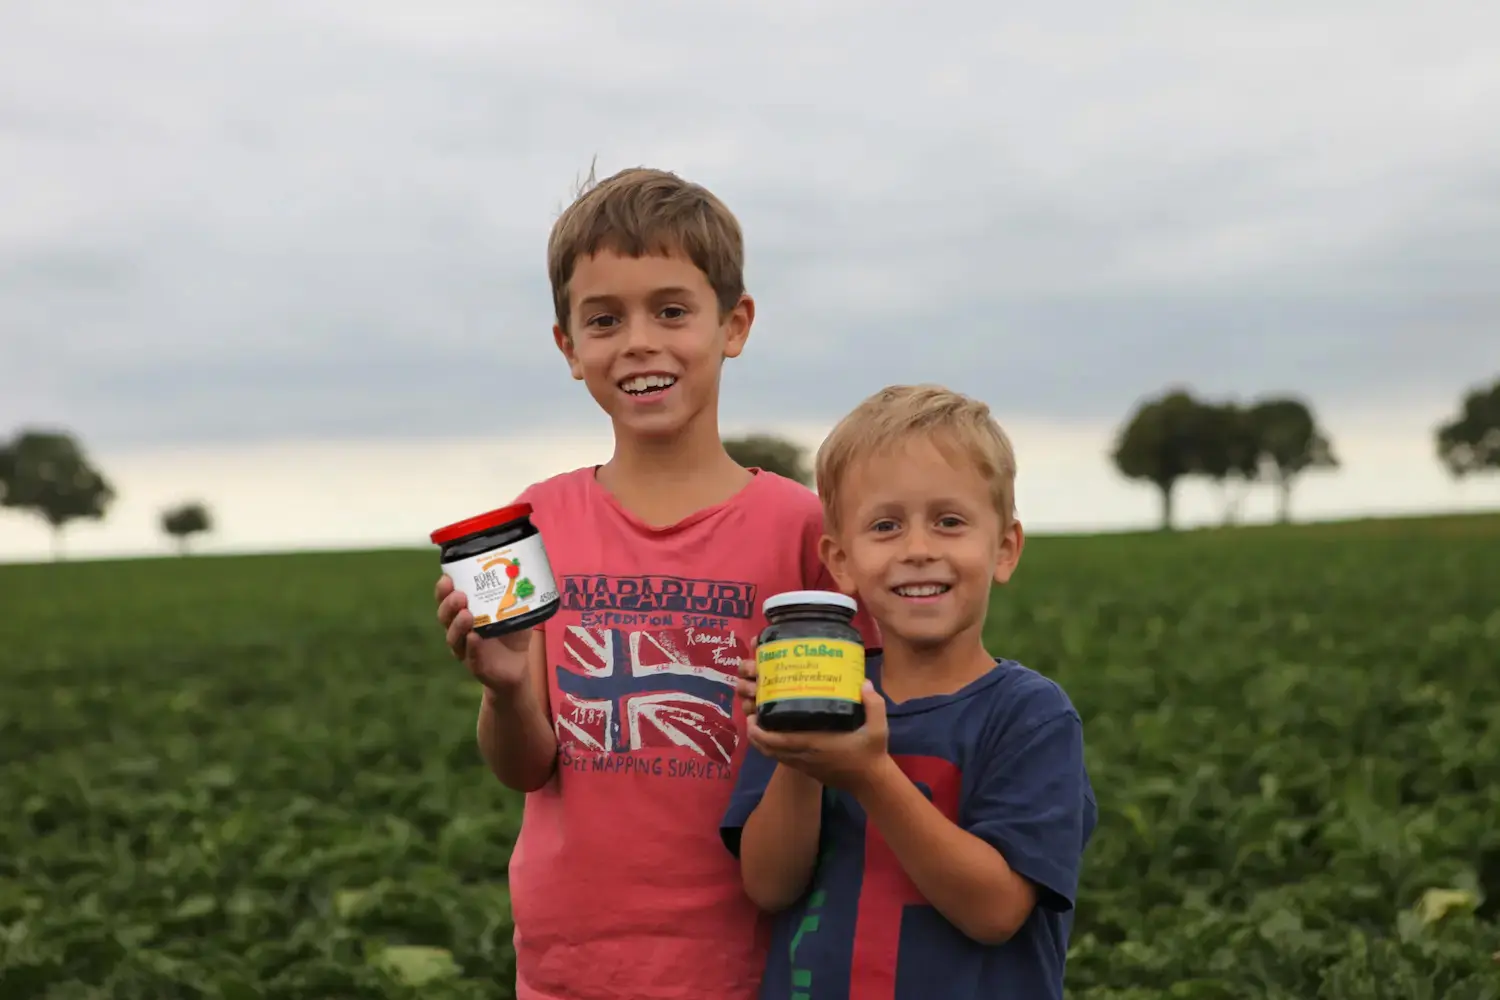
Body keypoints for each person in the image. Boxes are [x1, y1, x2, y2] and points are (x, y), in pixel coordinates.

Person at [433, 165, 878, 1000]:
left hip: (756, 962)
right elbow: (527, 767)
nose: (639, 341)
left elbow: (867, 745)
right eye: (604, 320)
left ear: (734, 324)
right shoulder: (534, 524)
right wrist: (502, 692)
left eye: (671, 311)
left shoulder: (804, 530)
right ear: (569, 347)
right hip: (571, 965)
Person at [721, 384, 1097, 1000]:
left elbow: (996, 911)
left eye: (949, 522)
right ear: (841, 562)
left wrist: (871, 774)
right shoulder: (813, 689)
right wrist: (798, 752)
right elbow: (769, 885)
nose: (918, 550)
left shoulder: (1030, 715)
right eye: (886, 526)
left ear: (1004, 548)